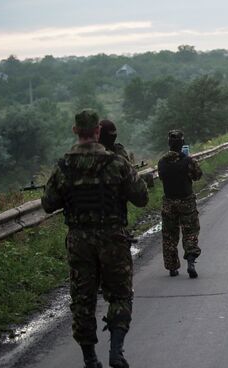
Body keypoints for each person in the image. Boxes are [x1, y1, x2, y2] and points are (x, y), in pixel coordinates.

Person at [41, 109, 149, 368]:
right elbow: (141, 197)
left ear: (75, 130)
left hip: (79, 241)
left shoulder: (64, 166)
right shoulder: (116, 163)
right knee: (120, 294)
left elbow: (47, 203)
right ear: (98, 132)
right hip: (113, 237)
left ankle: (89, 358)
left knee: (82, 298)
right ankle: (116, 351)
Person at [157, 130, 203, 278]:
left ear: (169, 144)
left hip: (169, 202)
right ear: (182, 143)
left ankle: (172, 267)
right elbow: (198, 176)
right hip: (186, 201)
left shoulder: (162, 162)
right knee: (190, 232)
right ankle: (190, 261)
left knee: (169, 235)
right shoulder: (188, 161)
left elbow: (161, 177)